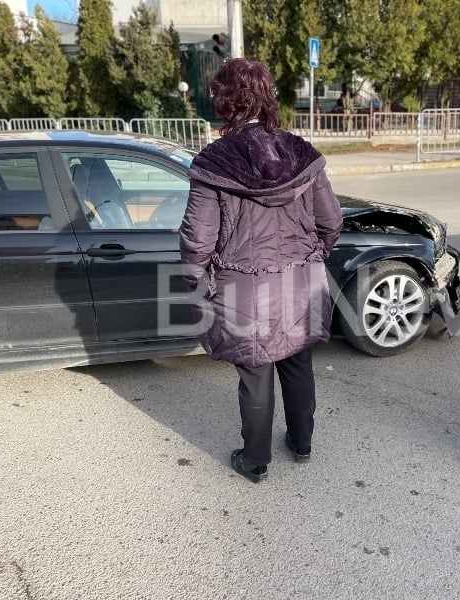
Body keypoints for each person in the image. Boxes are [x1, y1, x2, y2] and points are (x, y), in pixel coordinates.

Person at [179, 58, 343, 484]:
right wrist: (313, 255)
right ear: (267, 96)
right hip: (301, 281)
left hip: (244, 287)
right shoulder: (301, 154)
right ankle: (302, 444)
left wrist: (193, 280)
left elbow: (198, 238)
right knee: (297, 359)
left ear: (226, 101)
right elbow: (331, 221)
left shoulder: (214, 163)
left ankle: (255, 461)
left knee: (255, 370)